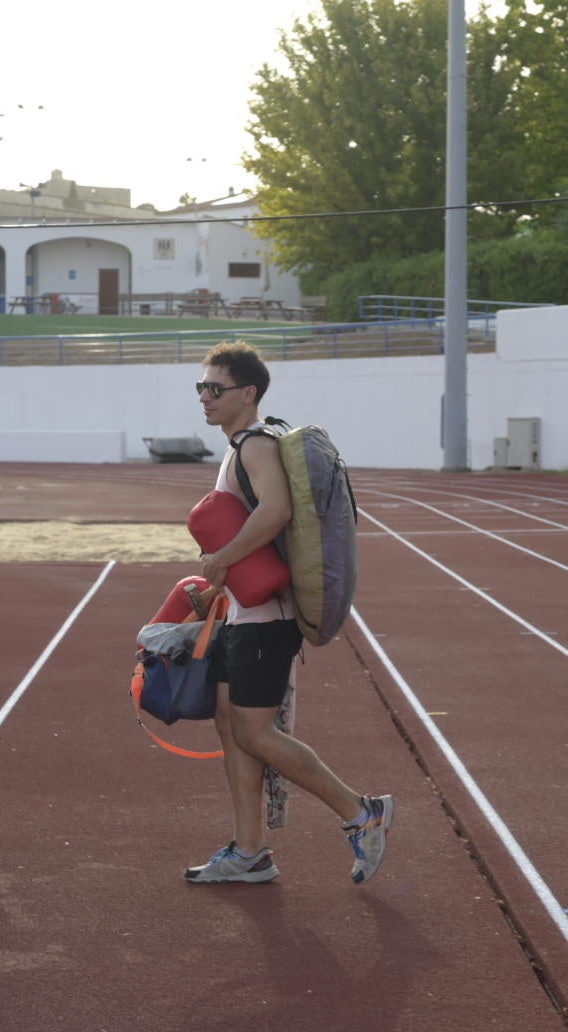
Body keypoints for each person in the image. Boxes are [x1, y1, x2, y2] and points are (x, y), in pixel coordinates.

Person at [184, 341, 394, 884]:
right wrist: (215, 588)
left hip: (266, 620)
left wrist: (223, 559)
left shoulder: (255, 445)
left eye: (215, 388)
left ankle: (361, 812)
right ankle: (249, 851)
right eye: (200, 387)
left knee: (254, 732)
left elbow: (275, 511)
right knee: (232, 729)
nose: (204, 397)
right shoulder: (238, 447)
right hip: (242, 614)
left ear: (247, 393)